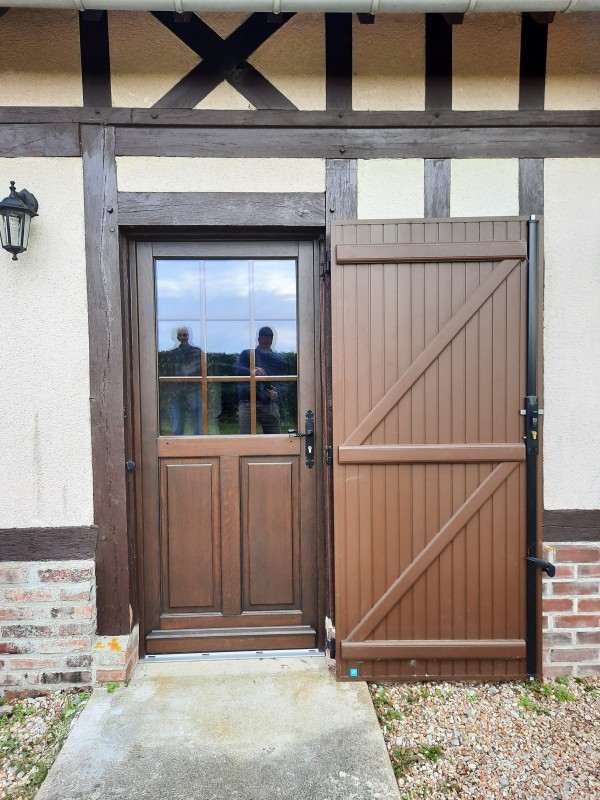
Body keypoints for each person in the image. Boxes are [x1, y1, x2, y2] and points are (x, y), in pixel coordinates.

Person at [237, 326, 284, 434]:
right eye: (263, 341)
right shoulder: (247, 354)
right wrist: (252, 371)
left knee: (275, 442)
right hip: (247, 402)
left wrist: (275, 392)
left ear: (272, 341)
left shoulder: (277, 360)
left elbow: (281, 381)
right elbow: (238, 371)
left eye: (268, 342)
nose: (266, 344)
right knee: (245, 442)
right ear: (258, 340)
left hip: (269, 404)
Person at [167, 326, 203, 435]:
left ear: (188, 336)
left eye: (185, 335)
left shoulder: (197, 352)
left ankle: (198, 447)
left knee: (198, 426)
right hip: (177, 392)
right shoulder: (172, 354)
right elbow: (168, 374)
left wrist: (202, 388)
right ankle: (177, 449)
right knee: (177, 426)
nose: (184, 337)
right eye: (181, 335)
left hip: (194, 391)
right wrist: (172, 391)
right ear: (177, 337)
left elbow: (206, 371)